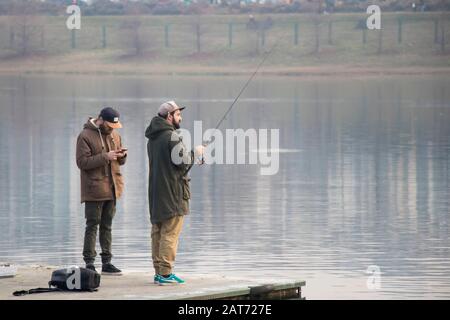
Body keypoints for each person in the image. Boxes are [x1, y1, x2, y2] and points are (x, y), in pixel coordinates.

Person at [145, 101, 204, 285]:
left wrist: (190, 157)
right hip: (172, 193)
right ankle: (165, 273)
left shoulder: (152, 138)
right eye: (178, 115)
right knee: (170, 233)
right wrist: (196, 152)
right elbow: (183, 162)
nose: (181, 118)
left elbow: (172, 163)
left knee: (158, 232)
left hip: (156, 192)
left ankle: (159, 272)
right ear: (169, 116)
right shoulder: (171, 136)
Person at [76, 107, 127, 275]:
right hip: (94, 190)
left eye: (115, 126)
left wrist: (121, 156)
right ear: (101, 120)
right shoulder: (85, 136)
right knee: (92, 226)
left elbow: (120, 162)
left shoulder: (115, 135)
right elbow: (82, 163)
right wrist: (106, 157)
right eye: (110, 125)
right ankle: (89, 263)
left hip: (113, 189)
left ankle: (107, 263)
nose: (113, 129)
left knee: (107, 226)